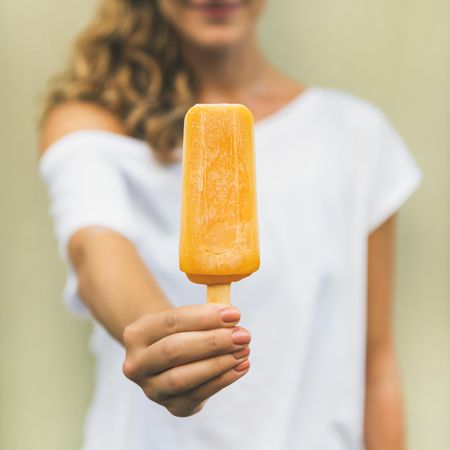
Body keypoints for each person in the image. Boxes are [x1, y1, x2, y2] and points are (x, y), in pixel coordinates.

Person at [38, 1, 422, 449]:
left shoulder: (357, 136)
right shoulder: (92, 125)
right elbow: (94, 250)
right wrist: (158, 340)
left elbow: (375, 370)